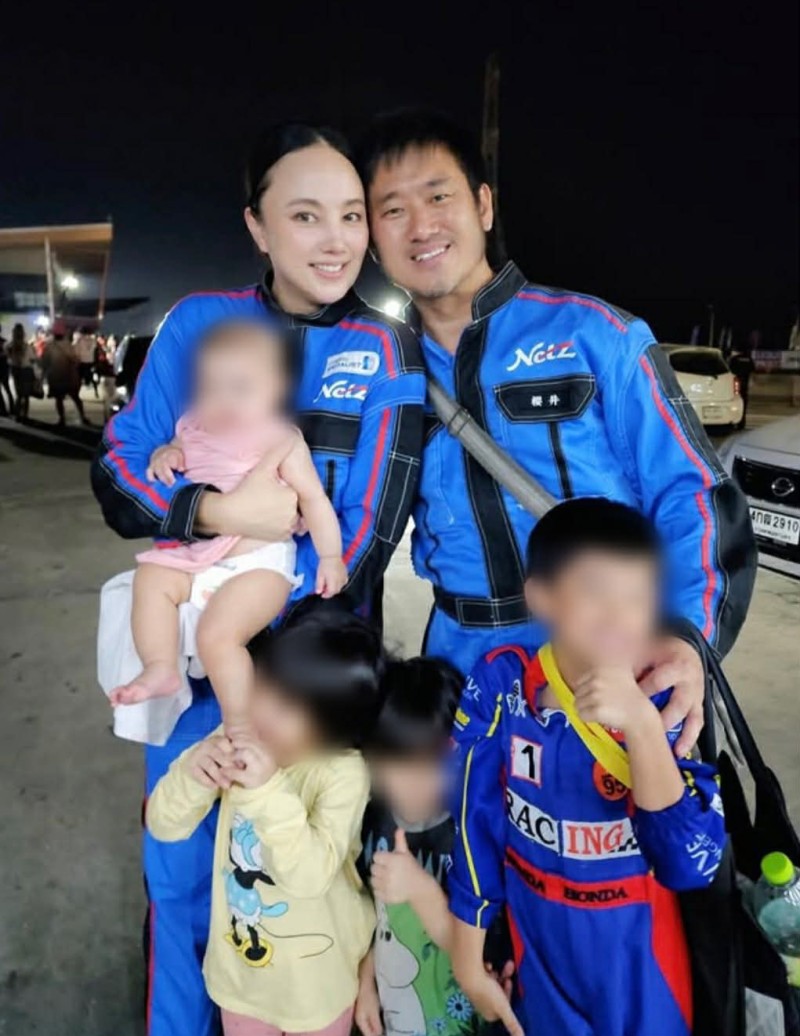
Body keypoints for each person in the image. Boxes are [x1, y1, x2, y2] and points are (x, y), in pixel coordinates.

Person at [90, 123, 425, 1036]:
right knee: (184, 880)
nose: (336, 239)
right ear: (257, 225)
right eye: (305, 215)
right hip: (202, 677)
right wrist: (214, 515)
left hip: (313, 685)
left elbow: (370, 525)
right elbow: (121, 466)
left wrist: (282, 657)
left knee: (298, 891)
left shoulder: (387, 349)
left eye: (351, 215)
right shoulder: (197, 323)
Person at [356, 108, 757, 751]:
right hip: (459, 678)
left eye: (438, 197)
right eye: (393, 209)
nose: (422, 226)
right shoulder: (385, 374)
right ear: (373, 240)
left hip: (607, 667)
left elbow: (693, 493)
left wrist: (686, 636)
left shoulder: (596, 334)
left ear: (483, 206)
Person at [448, 498, 726, 1035]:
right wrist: (467, 956)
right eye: (596, 591)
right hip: (538, 958)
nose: (619, 617)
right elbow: (472, 822)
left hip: (643, 969)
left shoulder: (667, 699)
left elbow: (690, 865)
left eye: (637, 597)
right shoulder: (502, 685)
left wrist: (641, 725)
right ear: (542, 597)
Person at [146, 605, 383, 1036]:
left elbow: (309, 876)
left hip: (318, 983)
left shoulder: (343, 772)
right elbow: (164, 825)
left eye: (289, 705)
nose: (264, 710)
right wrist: (192, 775)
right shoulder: (235, 736)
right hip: (241, 979)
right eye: (263, 685)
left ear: (332, 726)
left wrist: (266, 790)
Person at [110, 320, 347, 735]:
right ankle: (161, 666)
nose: (223, 402)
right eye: (210, 388)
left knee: (217, 636)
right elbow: (173, 452)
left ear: (276, 389)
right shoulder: (191, 428)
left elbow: (313, 499)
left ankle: (239, 725)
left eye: (241, 388)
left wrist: (331, 556)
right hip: (195, 558)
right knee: (150, 580)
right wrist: (166, 454)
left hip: (258, 565)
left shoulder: (280, 439)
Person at [355, 656, 519, 1036]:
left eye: (434, 764)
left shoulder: (473, 835)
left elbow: (481, 959)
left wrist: (422, 891)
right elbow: (379, 919)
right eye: (401, 763)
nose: (417, 782)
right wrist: (366, 982)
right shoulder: (374, 820)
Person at [42, 322, 90, 426]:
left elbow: (44, 362)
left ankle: (62, 419)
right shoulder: (68, 345)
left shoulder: (49, 346)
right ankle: (82, 417)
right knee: (75, 397)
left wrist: (43, 375)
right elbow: (76, 360)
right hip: (69, 375)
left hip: (55, 376)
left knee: (59, 399)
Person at [8, 323, 37, 421]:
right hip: (26, 370)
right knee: (26, 395)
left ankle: (17, 415)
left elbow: (8, 358)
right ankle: (25, 415)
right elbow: (33, 359)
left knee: (19, 394)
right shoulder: (27, 346)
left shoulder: (10, 346)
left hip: (15, 370)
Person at [75, 326, 99, 396]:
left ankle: (77, 393)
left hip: (82, 362)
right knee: (92, 378)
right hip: (91, 362)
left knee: (78, 378)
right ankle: (96, 392)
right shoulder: (93, 340)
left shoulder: (79, 340)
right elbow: (95, 351)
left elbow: (76, 352)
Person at [0, 324, 13, 416]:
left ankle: (3, 409)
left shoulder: (4, 342)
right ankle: (12, 409)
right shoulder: (4, 342)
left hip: (3, 368)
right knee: (7, 389)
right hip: (4, 368)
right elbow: (9, 354)